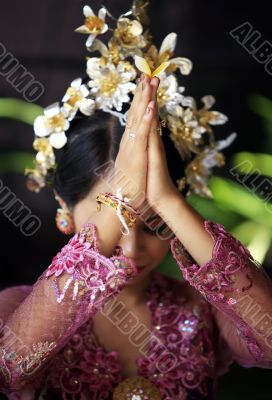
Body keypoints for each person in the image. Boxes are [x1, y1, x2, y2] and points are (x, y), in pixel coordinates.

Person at [0, 2, 272, 399]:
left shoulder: (203, 310)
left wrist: (168, 199)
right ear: (63, 204)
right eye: (110, 214)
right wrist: (125, 197)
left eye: (154, 222)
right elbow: (10, 368)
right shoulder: (21, 309)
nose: (130, 247)